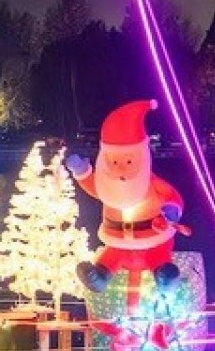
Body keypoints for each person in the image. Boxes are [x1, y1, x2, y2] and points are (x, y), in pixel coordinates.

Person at [65, 99, 185, 294]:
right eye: (113, 161)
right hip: (117, 244)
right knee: (111, 257)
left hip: (152, 243)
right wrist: (82, 171)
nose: (120, 168)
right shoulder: (107, 186)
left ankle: (165, 277)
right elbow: (93, 187)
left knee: (159, 258)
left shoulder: (151, 184)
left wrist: (172, 210)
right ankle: (99, 277)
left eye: (128, 161)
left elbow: (172, 196)